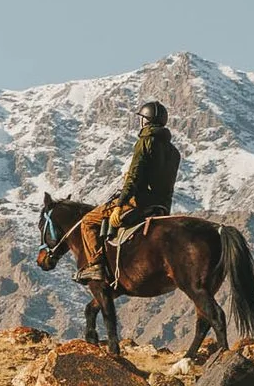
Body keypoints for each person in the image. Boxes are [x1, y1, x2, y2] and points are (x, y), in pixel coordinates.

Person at [71, 101, 181, 287]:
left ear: (145, 121)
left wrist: (120, 205)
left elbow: (134, 178)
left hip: (138, 203)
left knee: (89, 221)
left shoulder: (144, 142)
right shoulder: (174, 152)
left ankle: (95, 266)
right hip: (162, 207)